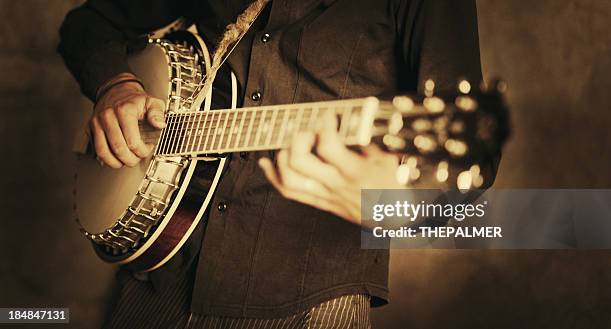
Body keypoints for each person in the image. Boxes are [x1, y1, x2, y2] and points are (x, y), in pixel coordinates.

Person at [58, 0, 493, 328]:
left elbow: (464, 168)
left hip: (311, 298)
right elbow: (86, 25)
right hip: (160, 275)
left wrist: (394, 201)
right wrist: (116, 84)